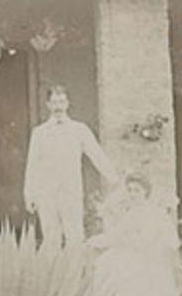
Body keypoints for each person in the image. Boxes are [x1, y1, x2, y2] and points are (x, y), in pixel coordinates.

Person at [23, 85, 116, 246]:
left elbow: (97, 155)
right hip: (47, 191)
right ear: (48, 105)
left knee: (74, 234)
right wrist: (29, 194)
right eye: (54, 102)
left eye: (61, 102)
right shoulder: (39, 133)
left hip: (70, 189)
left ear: (67, 103)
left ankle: (76, 270)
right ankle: (56, 270)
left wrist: (114, 178)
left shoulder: (79, 129)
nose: (58, 106)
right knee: (51, 235)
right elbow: (32, 166)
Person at [89, 173, 181, 296]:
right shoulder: (130, 213)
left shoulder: (154, 213)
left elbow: (166, 239)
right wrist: (96, 241)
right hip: (133, 250)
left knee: (123, 263)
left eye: (137, 190)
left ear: (145, 192)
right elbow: (117, 235)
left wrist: (137, 244)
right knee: (105, 262)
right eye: (130, 190)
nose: (133, 194)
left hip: (150, 256)